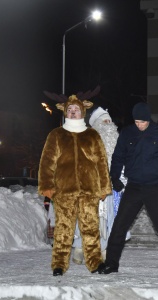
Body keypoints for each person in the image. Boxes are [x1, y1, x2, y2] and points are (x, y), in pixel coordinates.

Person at [98, 102, 158, 275]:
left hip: (154, 187)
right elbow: (118, 156)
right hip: (134, 186)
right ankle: (111, 264)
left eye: (143, 122)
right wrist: (114, 177)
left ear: (149, 119)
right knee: (119, 226)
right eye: (137, 122)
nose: (140, 125)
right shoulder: (127, 133)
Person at [38, 95, 112, 276]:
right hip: (64, 191)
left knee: (91, 228)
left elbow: (101, 162)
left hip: (89, 191)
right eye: (69, 110)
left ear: (82, 112)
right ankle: (59, 264)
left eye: (76, 110)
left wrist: (104, 187)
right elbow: (47, 162)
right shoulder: (56, 135)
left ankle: (95, 263)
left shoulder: (92, 135)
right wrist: (47, 185)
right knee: (63, 229)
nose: (72, 112)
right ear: (65, 112)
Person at [72, 107, 130, 264]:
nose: (109, 124)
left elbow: (124, 166)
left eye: (110, 121)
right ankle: (79, 248)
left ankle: (103, 250)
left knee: (107, 220)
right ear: (97, 124)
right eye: (105, 121)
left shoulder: (119, 143)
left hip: (110, 191)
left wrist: (123, 183)